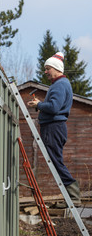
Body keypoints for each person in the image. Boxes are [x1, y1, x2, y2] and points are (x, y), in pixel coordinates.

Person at [27, 52, 81, 208]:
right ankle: (71, 195)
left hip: (53, 128)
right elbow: (53, 106)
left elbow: (54, 107)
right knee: (56, 161)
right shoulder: (60, 85)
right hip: (54, 127)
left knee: (56, 162)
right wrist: (41, 105)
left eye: (47, 68)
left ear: (56, 69)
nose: (45, 72)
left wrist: (38, 105)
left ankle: (73, 195)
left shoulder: (59, 85)